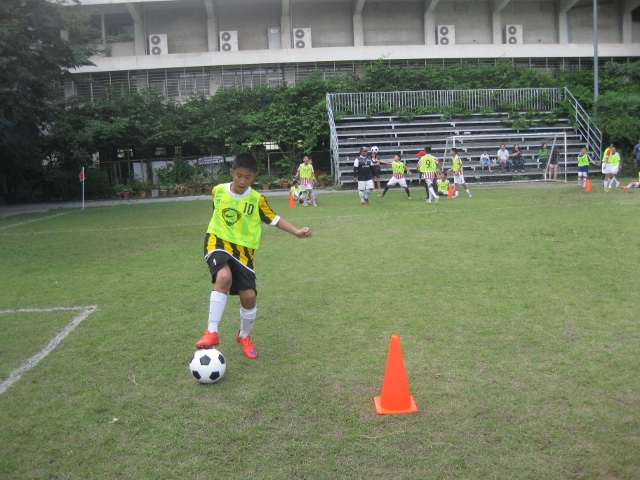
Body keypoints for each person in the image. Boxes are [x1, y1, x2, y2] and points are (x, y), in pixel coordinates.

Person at [195, 153, 312, 358]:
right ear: (232, 173)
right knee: (223, 277)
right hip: (217, 242)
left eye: (247, 177)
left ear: (254, 176)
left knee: (249, 297)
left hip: (244, 251)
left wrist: (296, 232)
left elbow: (273, 218)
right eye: (238, 175)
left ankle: (244, 335)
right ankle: (211, 331)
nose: (242, 181)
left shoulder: (257, 199)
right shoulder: (218, 191)